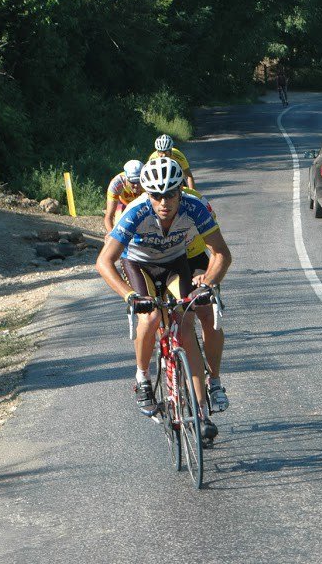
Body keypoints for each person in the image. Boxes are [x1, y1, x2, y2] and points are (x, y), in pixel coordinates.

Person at [95, 157, 232, 443]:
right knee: (151, 316)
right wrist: (129, 296)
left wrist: (208, 283)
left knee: (185, 324)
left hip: (174, 262)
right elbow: (104, 262)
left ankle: (200, 411)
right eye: (156, 195)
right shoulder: (135, 212)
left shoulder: (195, 207)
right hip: (139, 264)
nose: (163, 202)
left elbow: (221, 253)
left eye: (170, 194)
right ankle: (142, 377)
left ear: (181, 191)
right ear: (147, 194)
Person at [181, 186, 229, 412]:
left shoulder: (197, 203)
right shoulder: (147, 206)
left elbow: (216, 250)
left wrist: (208, 278)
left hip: (195, 259)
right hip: (162, 262)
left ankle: (215, 381)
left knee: (208, 314)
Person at [103, 160, 144, 233]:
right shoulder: (116, 184)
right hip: (123, 204)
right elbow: (109, 216)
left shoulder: (149, 181)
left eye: (139, 181)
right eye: (133, 182)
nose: (136, 185)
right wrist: (111, 234)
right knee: (119, 225)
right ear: (126, 178)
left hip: (142, 205)